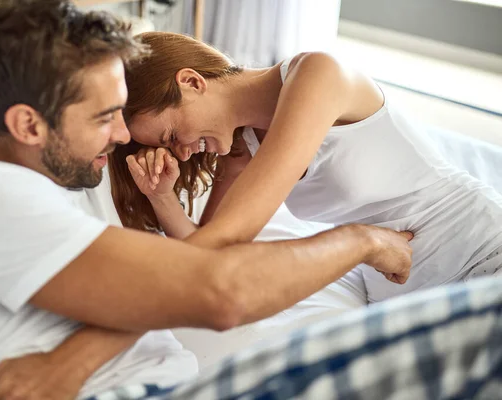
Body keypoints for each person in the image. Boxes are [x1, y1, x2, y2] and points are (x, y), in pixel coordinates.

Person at [0, 1, 414, 399]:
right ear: (27, 125)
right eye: (105, 117)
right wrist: (361, 240)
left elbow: (169, 282)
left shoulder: (31, 197)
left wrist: (73, 361)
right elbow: (221, 292)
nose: (124, 135)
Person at [111, 31, 502, 303]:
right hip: (394, 291)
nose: (181, 154)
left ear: (192, 82)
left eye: (171, 136)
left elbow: (216, 244)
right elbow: (212, 251)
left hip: (477, 252)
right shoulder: (242, 147)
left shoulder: (318, 75)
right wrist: (161, 198)